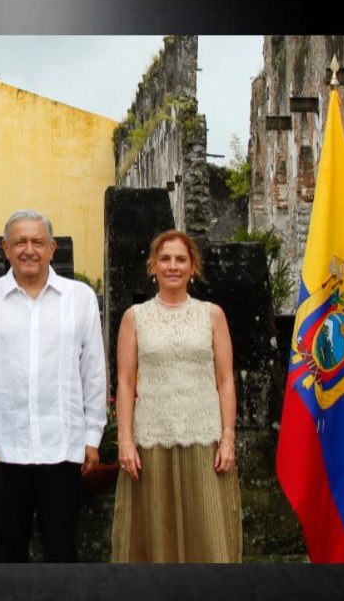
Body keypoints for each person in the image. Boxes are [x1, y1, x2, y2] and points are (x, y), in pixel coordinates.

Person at [0, 209, 107, 563]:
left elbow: (94, 372)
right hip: (2, 448)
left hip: (63, 447)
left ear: (52, 248)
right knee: (8, 548)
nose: (29, 250)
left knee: (62, 547)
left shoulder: (79, 298)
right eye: (20, 242)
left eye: (37, 242)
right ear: (4, 249)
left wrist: (92, 436)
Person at [110, 229, 242, 563]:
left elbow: (225, 380)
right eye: (165, 259)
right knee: (155, 533)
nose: (173, 266)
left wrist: (228, 437)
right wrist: (125, 441)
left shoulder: (212, 315)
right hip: (151, 439)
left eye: (181, 259)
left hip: (204, 438)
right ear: (152, 265)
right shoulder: (134, 318)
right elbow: (125, 383)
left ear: (192, 266)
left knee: (208, 532)